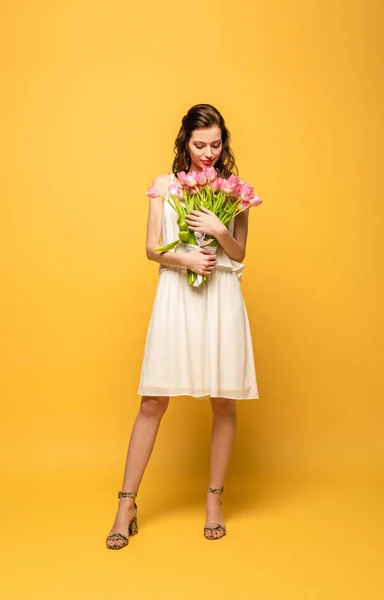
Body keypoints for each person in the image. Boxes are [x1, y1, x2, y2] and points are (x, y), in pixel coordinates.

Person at [105, 103, 258, 549]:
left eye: (215, 144)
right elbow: (152, 248)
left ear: (223, 143)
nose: (207, 153)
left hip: (221, 296)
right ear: (184, 142)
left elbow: (240, 252)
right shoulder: (164, 185)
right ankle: (125, 504)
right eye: (199, 144)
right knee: (153, 400)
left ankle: (214, 501)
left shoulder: (236, 191)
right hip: (177, 295)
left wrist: (218, 227)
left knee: (224, 402)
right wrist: (185, 257)